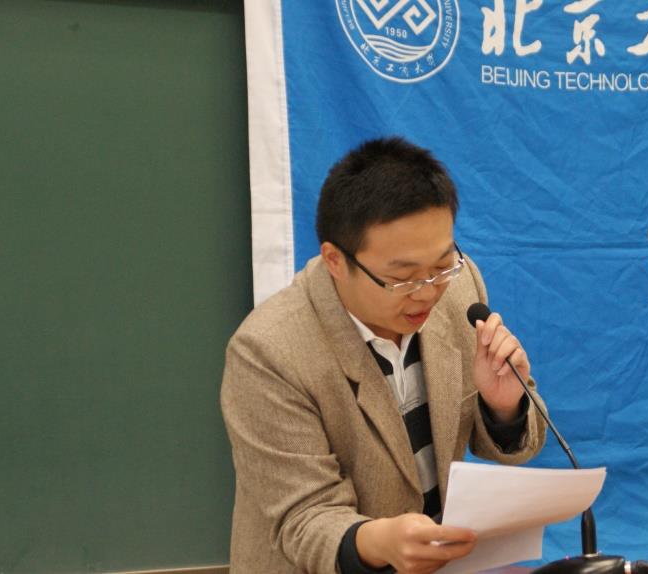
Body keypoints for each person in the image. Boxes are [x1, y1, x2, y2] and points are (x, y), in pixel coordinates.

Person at [221, 137, 547, 573]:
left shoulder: (460, 288)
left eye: (441, 265)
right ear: (335, 260)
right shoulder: (268, 352)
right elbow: (304, 519)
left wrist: (503, 407)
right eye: (402, 278)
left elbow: (514, 448)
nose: (428, 292)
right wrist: (381, 541)